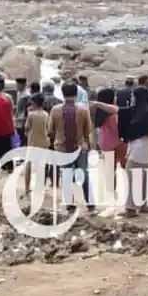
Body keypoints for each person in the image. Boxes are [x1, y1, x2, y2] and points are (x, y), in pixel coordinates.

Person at [48, 82, 94, 212]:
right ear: (76, 93)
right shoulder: (83, 110)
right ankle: (90, 204)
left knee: (66, 175)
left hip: (62, 148)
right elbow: (88, 131)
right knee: (84, 175)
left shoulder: (55, 110)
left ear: (62, 93)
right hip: (80, 147)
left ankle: (70, 205)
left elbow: (50, 130)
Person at [121, 85, 148, 217]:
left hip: (136, 149)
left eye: (133, 96)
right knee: (146, 178)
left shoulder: (135, 115)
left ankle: (131, 209)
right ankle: (146, 205)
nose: (132, 98)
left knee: (132, 179)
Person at [90, 87, 125, 168]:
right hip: (114, 143)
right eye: (115, 96)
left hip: (103, 143)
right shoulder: (113, 115)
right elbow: (118, 130)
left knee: (109, 168)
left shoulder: (98, 113)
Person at [22, 93, 51, 192]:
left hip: (33, 143)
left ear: (34, 103)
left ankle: (27, 188)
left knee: (28, 165)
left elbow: (26, 128)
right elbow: (48, 129)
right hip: (44, 144)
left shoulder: (31, 115)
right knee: (41, 167)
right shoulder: (46, 114)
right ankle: (40, 188)